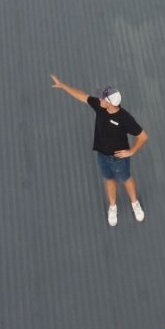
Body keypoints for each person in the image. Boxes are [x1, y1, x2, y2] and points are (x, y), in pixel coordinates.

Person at [51, 74, 148, 227]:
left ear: (109, 103)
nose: (100, 99)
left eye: (103, 98)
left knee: (126, 179)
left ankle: (135, 203)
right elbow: (83, 96)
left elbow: (143, 136)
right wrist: (63, 86)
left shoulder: (125, 118)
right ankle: (113, 207)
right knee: (109, 180)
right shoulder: (100, 106)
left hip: (119, 158)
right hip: (102, 155)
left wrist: (131, 151)